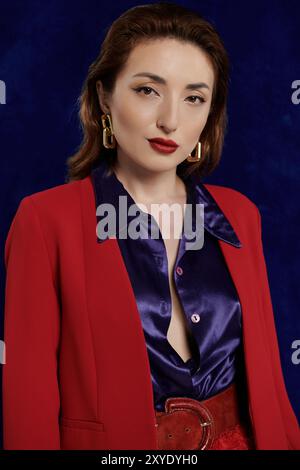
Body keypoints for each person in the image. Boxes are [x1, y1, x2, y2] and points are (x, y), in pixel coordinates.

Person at [2, 2, 300, 450]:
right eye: (147, 90)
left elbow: (270, 386)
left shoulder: (240, 216)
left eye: (194, 97)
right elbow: (28, 407)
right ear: (105, 95)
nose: (171, 120)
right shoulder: (45, 222)